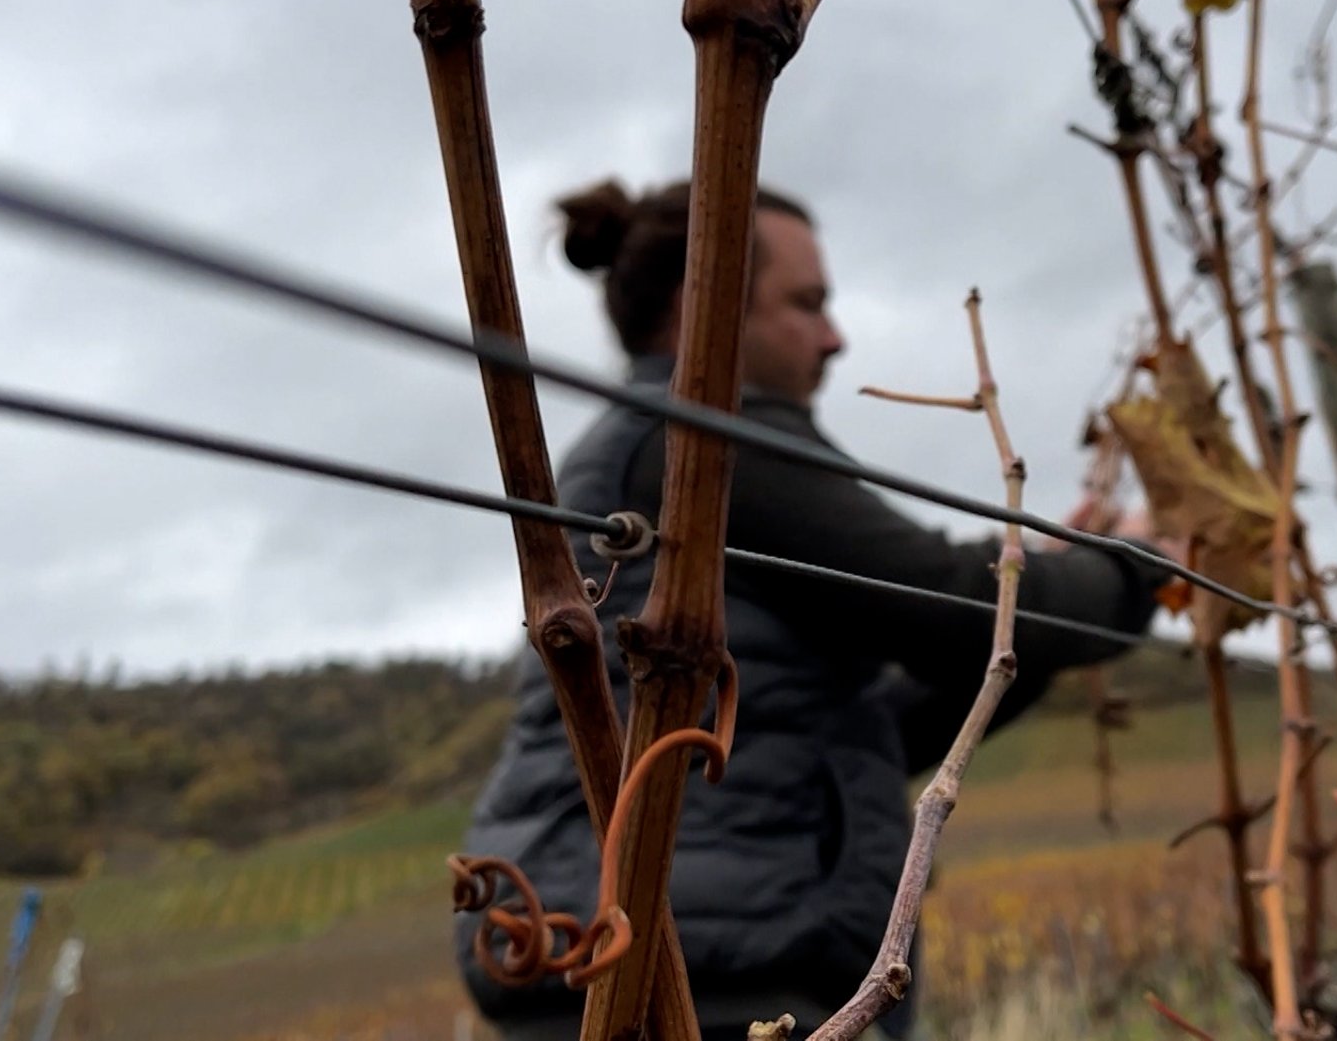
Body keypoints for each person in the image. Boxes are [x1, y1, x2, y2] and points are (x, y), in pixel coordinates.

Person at [454, 177, 1173, 1041]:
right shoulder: (701, 448)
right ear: (706, 303)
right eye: (808, 302)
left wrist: (1031, 630)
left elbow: (863, 726)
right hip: (706, 962)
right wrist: (1139, 568)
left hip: (673, 939)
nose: (835, 338)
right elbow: (954, 602)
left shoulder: (648, 448)